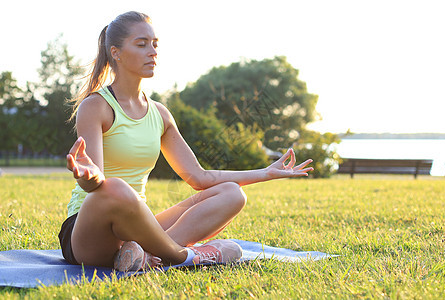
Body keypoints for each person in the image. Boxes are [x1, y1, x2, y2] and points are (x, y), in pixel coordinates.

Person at [59, 11, 314, 272]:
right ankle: (186, 257)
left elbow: (199, 177)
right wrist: (88, 177)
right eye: (141, 44)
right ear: (116, 53)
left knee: (231, 193)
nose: (153, 51)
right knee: (115, 188)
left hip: (136, 227)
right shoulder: (96, 106)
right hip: (88, 231)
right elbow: (96, 184)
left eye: (155, 44)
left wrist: (266, 172)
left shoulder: (159, 114)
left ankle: (142, 255)